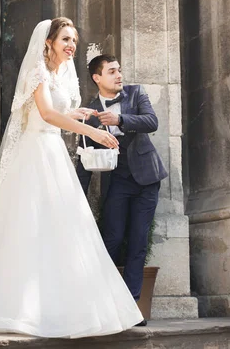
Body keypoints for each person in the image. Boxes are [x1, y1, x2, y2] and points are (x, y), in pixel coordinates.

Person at [0, 18, 144, 338]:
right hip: (35, 154)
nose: (71, 45)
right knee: (26, 228)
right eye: (65, 39)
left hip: (53, 151)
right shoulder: (37, 72)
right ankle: (16, 310)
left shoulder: (59, 74)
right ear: (48, 42)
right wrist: (90, 132)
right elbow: (44, 114)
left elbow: (55, 113)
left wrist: (76, 115)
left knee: (62, 228)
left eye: (74, 39)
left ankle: (56, 308)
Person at [77, 54, 168, 326]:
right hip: (116, 182)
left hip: (147, 178)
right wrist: (76, 196)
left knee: (139, 241)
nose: (119, 75)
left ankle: (130, 308)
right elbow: (84, 154)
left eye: (119, 70)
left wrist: (120, 119)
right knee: (112, 239)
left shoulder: (135, 93)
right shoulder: (90, 112)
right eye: (112, 71)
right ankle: (102, 303)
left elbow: (151, 122)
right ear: (97, 78)